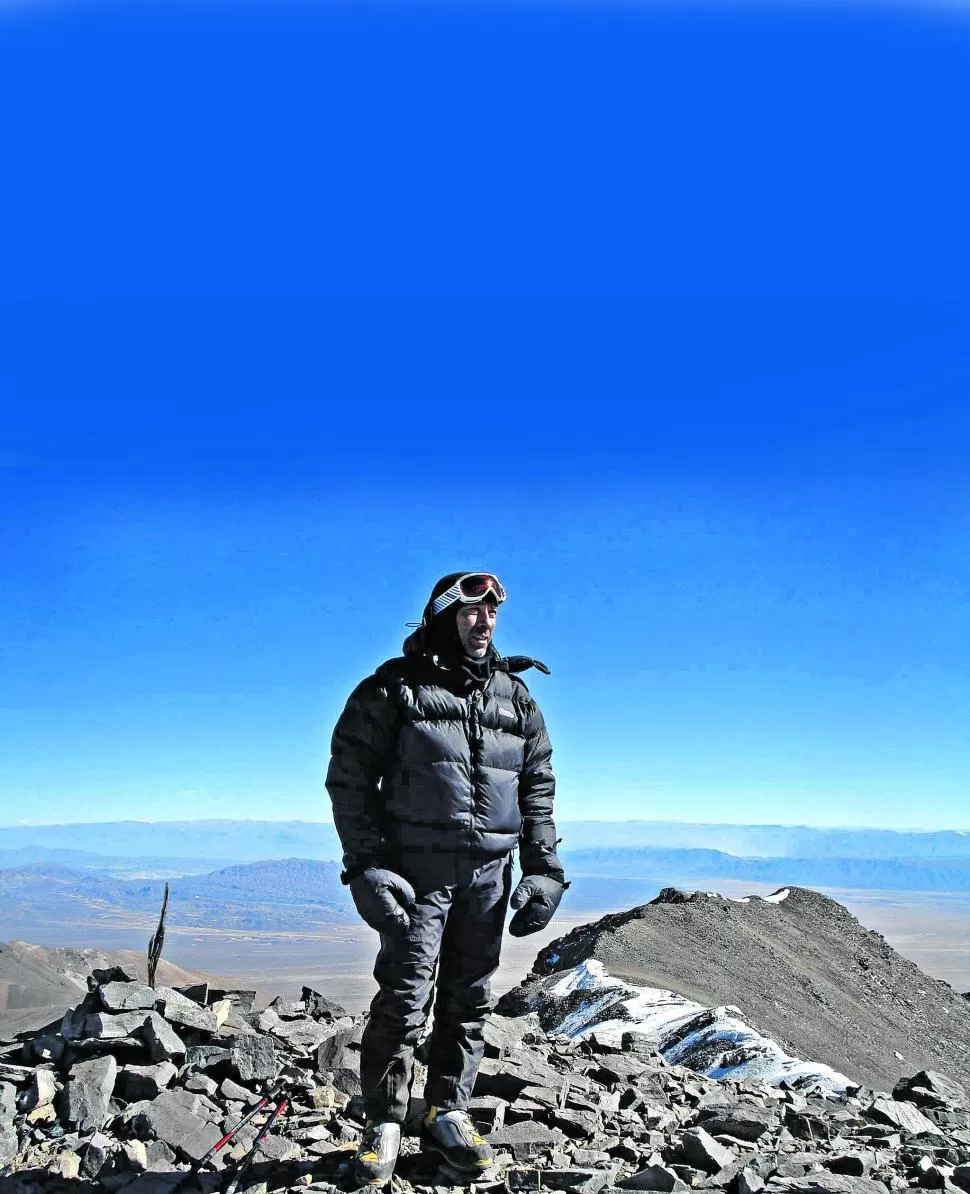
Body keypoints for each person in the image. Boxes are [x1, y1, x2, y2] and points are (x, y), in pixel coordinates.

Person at [326, 571, 568, 1185]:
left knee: (469, 999)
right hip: (416, 874)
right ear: (441, 618)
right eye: (469, 612)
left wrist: (543, 869)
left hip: (490, 872)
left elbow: (537, 788)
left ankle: (446, 1110)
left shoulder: (515, 698)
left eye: (491, 613)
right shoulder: (393, 690)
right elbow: (350, 779)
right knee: (406, 998)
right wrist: (367, 865)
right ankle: (383, 1121)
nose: (483, 623)